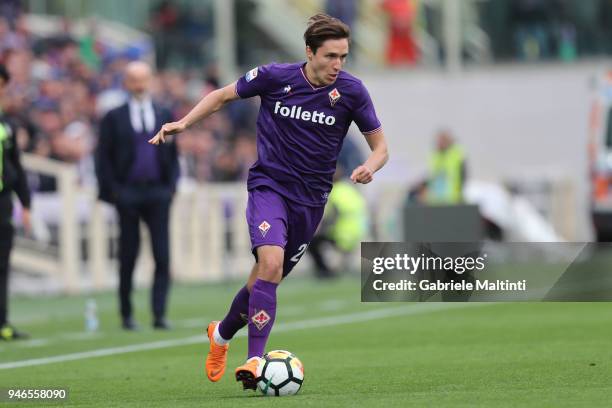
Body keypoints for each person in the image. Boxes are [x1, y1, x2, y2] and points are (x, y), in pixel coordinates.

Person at [149, 13, 389, 390]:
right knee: (271, 264)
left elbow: (381, 147)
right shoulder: (276, 77)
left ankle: (221, 334)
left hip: (310, 202)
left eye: (343, 56)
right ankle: (255, 361)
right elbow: (222, 95)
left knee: (263, 279)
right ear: (309, 52)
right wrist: (184, 123)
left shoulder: (352, 92)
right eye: (330, 56)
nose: (337, 65)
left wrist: (369, 166)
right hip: (269, 188)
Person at [95, 61, 178, 331]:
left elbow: (173, 155)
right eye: (134, 79)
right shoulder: (113, 116)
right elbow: (103, 157)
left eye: (143, 79)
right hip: (127, 193)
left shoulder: (163, 112)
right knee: (128, 256)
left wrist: (170, 187)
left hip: (157, 192)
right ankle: (127, 314)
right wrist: (114, 191)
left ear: (150, 80)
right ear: (126, 83)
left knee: (162, 256)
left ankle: (159, 314)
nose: (139, 85)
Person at [0, 63, 31, 340]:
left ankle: (2, 323)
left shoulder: (7, 125)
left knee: (2, 265)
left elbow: (16, 168)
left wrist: (26, 204)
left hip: (2, 203)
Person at [308, 167, 368, 278]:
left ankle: (324, 271)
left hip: (342, 235)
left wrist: (317, 231)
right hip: (358, 233)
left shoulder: (334, 192)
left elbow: (331, 218)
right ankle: (338, 265)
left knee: (311, 241)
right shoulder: (350, 189)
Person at [426, 130, 466, 204]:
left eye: (442, 140)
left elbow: (463, 176)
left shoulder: (456, 155)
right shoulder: (435, 156)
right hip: (436, 200)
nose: (440, 143)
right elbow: (432, 176)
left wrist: (459, 195)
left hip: (453, 199)